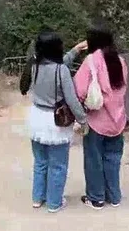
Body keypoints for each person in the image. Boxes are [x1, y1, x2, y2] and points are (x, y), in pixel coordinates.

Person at [19, 31, 86, 213]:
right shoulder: (61, 70)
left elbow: (57, 65)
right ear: (56, 48)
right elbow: (71, 99)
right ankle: (54, 202)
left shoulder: (34, 65)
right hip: (55, 122)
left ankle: (37, 198)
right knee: (58, 165)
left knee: (40, 162)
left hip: (37, 117)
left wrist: (76, 50)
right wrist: (82, 119)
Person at [65, 25, 128, 209]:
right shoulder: (120, 61)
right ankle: (114, 196)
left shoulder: (91, 61)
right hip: (118, 120)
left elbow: (79, 91)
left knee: (94, 160)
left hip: (96, 121)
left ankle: (96, 198)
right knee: (113, 159)